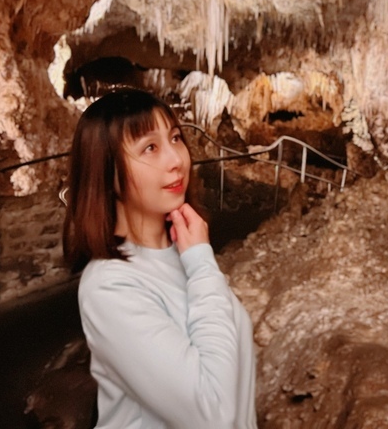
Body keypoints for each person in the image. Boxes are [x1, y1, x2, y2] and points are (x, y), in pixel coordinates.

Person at [63, 89, 257, 429]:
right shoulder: (109, 287)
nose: (176, 159)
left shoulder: (183, 253)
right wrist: (200, 261)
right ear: (106, 173)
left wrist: (197, 259)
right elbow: (213, 414)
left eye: (176, 138)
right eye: (150, 148)